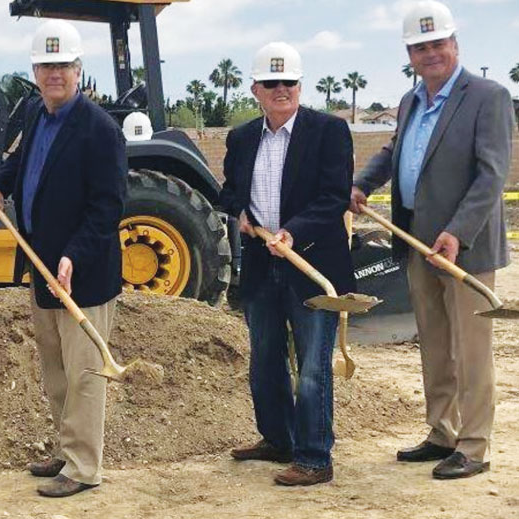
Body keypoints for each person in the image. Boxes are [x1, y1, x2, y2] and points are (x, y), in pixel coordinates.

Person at [350, 0, 514, 480]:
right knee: (436, 345)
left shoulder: (488, 96)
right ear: (410, 54)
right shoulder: (411, 101)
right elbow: (393, 150)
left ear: (455, 44)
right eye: (420, 47)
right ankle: (442, 431)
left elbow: (491, 175)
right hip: (418, 244)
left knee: (471, 348)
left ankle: (475, 445)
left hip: (465, 249)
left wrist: (457, 233)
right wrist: (363, 183)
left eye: (437, 43)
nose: (430, 54)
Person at [0, 19, 126, 498]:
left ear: (78, 69)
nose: (54, 74)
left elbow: (108, 206)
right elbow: (20, 160)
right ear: (36, 71)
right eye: (46, 65)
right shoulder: (35, 115)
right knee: (56, 366)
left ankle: (85, 468)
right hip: (41, 265)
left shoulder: (100, 130)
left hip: (81, 272)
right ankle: (67, 451)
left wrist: (73, 256)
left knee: (84, 372)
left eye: (62, 65)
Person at [218, 42, 354, 486]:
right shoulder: (241, 138)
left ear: (300, 85)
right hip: (262, 265)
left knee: (313, 368)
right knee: (265, 360)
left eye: (289, 83)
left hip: (311, 265)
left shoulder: (329, 131)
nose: (282, 90)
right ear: (255, 88)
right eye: (271, 83)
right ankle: (277, 439)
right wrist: (239, 211)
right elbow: (230, 190)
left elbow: (333, 198)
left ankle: (315, 456)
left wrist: (294, 230)